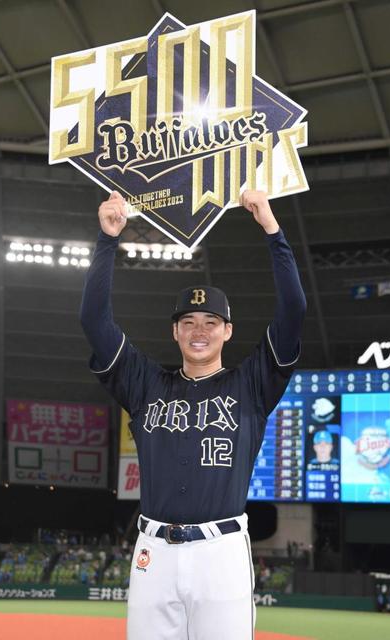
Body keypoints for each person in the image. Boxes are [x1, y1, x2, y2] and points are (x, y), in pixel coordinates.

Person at [80, 189, 306, 640]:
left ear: (228, 331)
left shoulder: (252, 384)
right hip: (152, 554)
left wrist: (271, 230)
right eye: (188, 322)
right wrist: (107, 240)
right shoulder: (146, 384)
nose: (198, 330)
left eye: (210, 322)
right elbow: (94, 321)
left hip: (219, 553)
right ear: (175, 332)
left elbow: (294, 310)